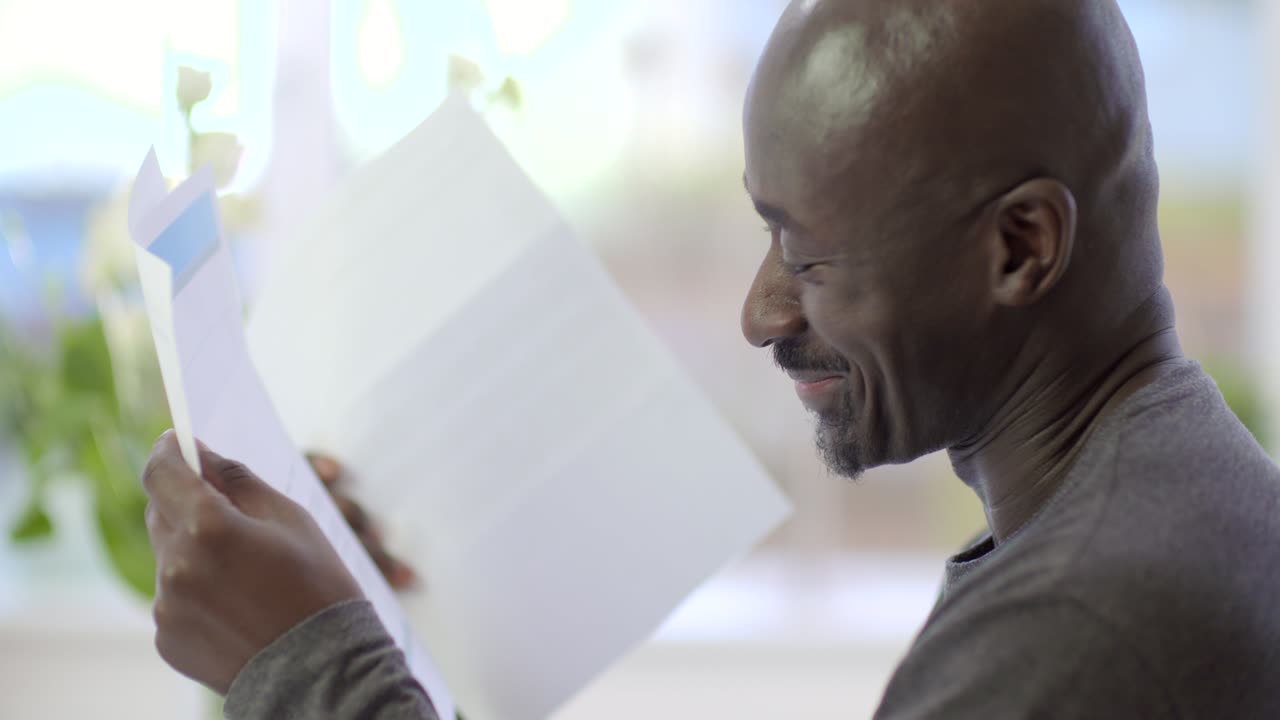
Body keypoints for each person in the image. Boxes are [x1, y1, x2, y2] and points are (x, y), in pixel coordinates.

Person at [140, 0, 1280, 717]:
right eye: (763, 231)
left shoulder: (1075, 631)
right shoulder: (1181, 506)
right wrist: (356, 631)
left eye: (807, 252)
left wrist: (303, 663)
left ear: (1018, 247)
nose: (757, 310)